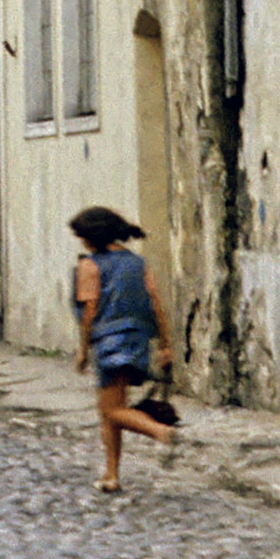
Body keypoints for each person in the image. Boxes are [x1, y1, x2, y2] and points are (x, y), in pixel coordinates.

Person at [69, 205, 177, 494]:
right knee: (112, 410)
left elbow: (89, 311)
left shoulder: (89, 266)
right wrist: (165, 346)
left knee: (111, 411)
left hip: (109, 343)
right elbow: (156, 304)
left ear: (92, 237)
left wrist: (83, 350)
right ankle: (111, 474)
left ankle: (160, 432)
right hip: (139, 341)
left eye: (81, 236)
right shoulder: (138, 263)